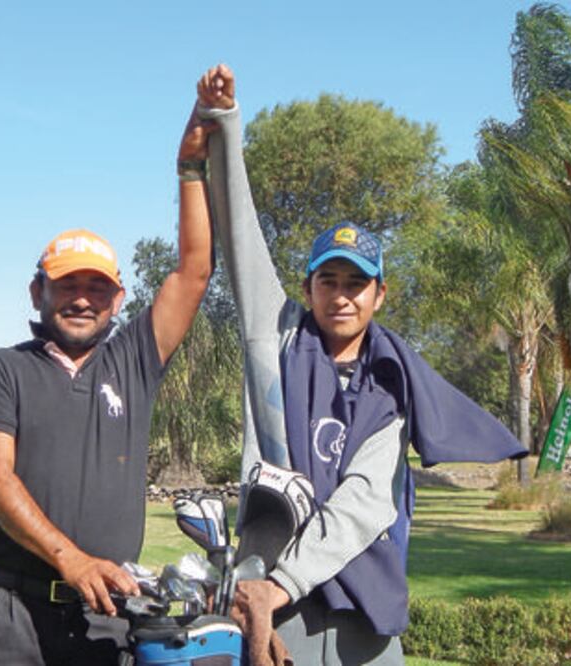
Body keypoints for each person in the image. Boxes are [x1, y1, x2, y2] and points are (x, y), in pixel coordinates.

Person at [197, 65, 526, 665]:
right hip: (276, 617)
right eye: (329, 279)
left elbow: (364, 506)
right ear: (308, 286)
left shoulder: (392, 382)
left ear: (380, 295)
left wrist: (278, 585)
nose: (341, 295)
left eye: (357, 282)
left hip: (362, 618)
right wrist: (224, 123)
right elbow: (241, 241)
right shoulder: (276, 339)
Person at [0, 78, 220, 665]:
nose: (81, 299)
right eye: (66, 285)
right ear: (37, 291)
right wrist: (71, 560)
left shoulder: (133, 360)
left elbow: (195, 270)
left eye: (95, 287)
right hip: (12, 614)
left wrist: (189, 169)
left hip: (107, 616)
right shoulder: (0, 371)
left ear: (118, 297)